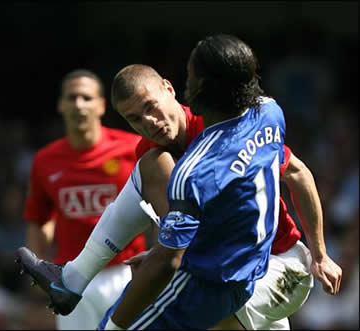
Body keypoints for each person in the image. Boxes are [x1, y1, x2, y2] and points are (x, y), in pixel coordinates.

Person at [17, 53, 341, 329]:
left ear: (169, 89)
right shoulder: (149, 150)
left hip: (278, 263)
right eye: (135, 118)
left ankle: (74, 278)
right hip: (228, 271)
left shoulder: (223, 128)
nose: (149, 121)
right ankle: (73, 279)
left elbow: (299, 174)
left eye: (151, 106)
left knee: (198, 309)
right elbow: (176, 221)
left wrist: (321, 255)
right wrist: (163, 251)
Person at [20, 69, 147, 329]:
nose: (79, 104)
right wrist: (39, 273)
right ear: (61, 104)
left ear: (101, 105)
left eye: (86, 98)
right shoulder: (45, 160)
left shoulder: (133, 148)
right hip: (72, 278)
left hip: (125, 273)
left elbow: (156, 206)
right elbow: (39, 220)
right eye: (72, 97)